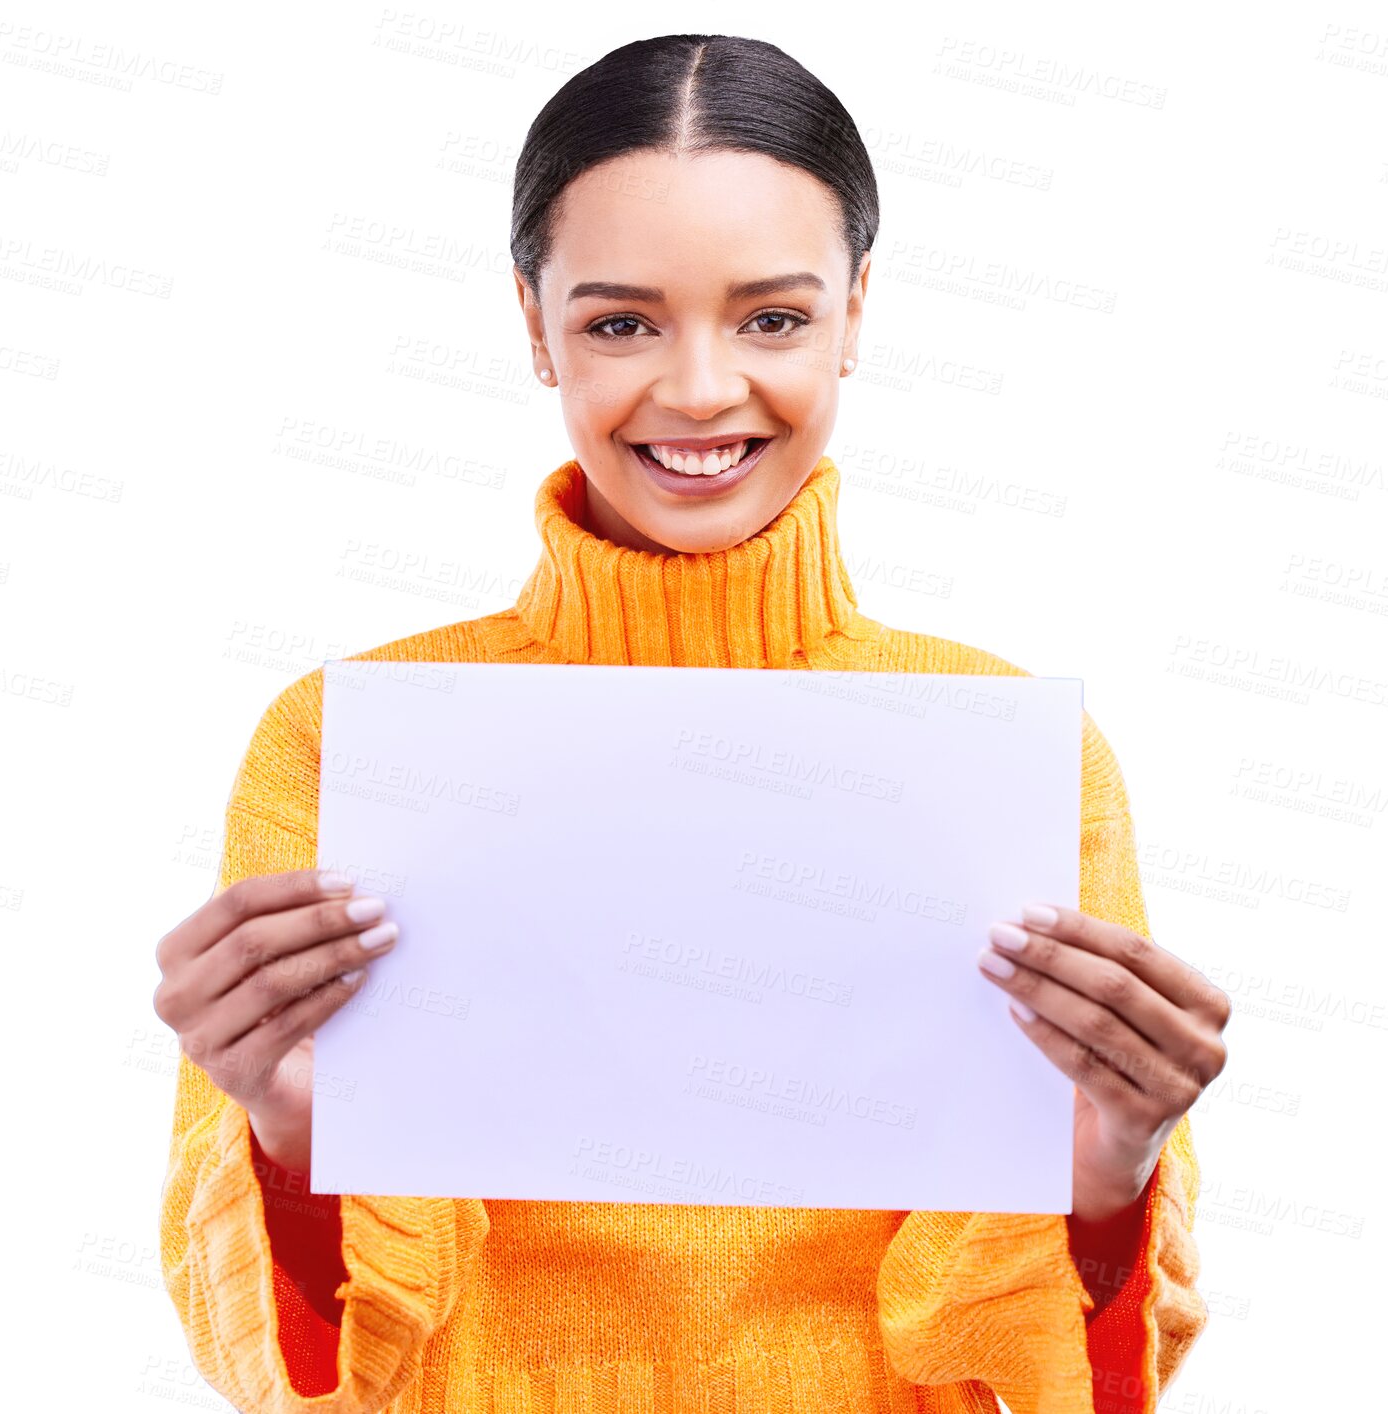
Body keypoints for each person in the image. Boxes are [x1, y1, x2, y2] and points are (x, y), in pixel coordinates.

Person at [154, 32, 1229, 1414]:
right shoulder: (350, 739)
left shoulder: (1003, 752)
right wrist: (293, 1131)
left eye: (772, 318)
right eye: (620, 322)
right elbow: (291, 1373)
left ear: (855, 313)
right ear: (532, 326)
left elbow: (1062, 1381)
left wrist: (1106, 1171)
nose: (701, 390)